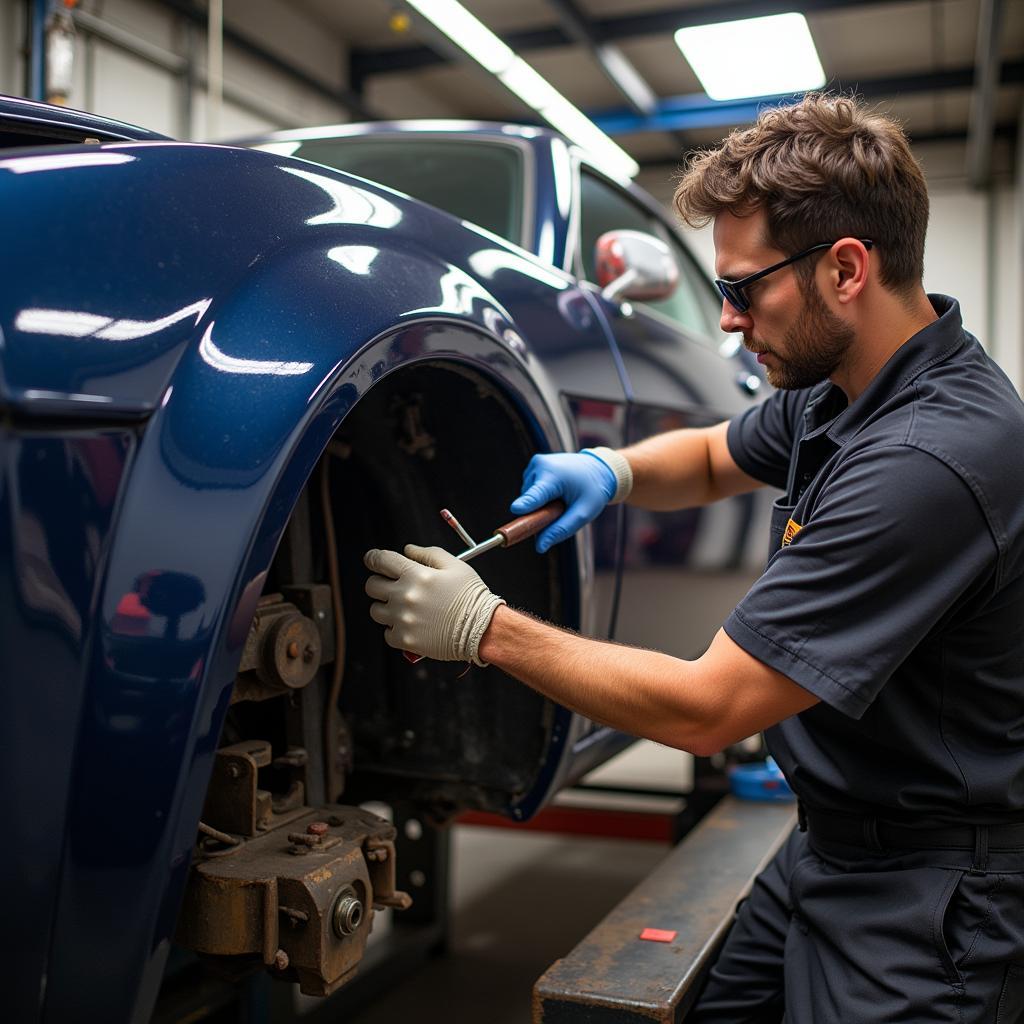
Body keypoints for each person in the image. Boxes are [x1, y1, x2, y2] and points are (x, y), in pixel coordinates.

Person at [363, 93, 1024, 1021]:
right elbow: (717, 454)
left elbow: (708, 710)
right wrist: (610, 468)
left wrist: (485, 629)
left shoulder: (927, 460)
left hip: (933, 887)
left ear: (845, 269)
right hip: (829, 843)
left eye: (743, 289)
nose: (724, 321)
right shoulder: (848, 382)